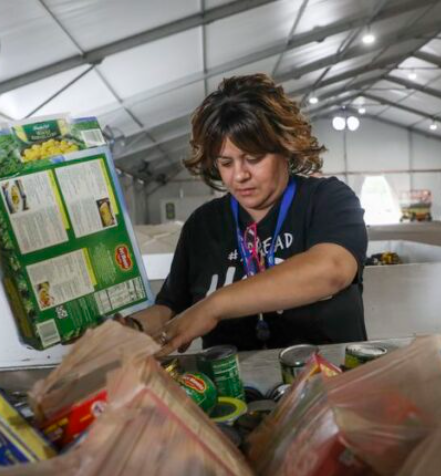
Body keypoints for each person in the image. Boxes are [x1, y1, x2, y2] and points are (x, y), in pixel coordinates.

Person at [125, 73, 368, 354]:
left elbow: (331, 269)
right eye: (226, 163)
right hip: (234, 392)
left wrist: (214, 306)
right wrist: (130, 327)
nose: (239, 175)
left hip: (327, 384)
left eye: (253, 158)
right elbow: (169, 308)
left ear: (285, 149)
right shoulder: (203, 225)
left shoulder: (326, 200)